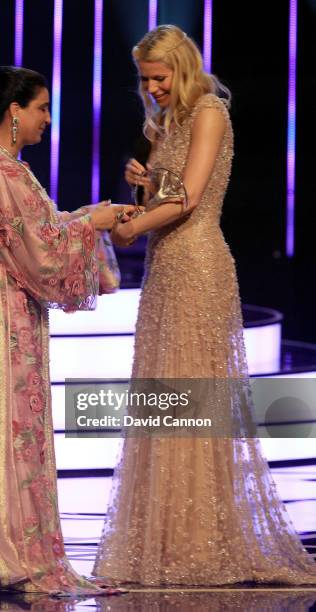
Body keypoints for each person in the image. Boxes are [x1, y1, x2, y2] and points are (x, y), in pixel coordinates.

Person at [93, 25, 316, 585]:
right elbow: (167, 195)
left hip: (198, 266)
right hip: (166, 269)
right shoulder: (164, 122)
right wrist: (142, 185)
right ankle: (167, 538)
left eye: (160, 78)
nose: (152, 89)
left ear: (183, 68)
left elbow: (189, 200)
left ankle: (201, 541)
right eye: (145, 80)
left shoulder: (211, 112)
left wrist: (132, 226)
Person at [0, 66, 135, 596]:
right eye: (41, 108)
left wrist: (86, 218)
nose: (46, 119)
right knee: (1, 419)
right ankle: (2, 545)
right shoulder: (3, 172)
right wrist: (94, 223)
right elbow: (39, 251)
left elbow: (38, 233)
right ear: (15, 112)